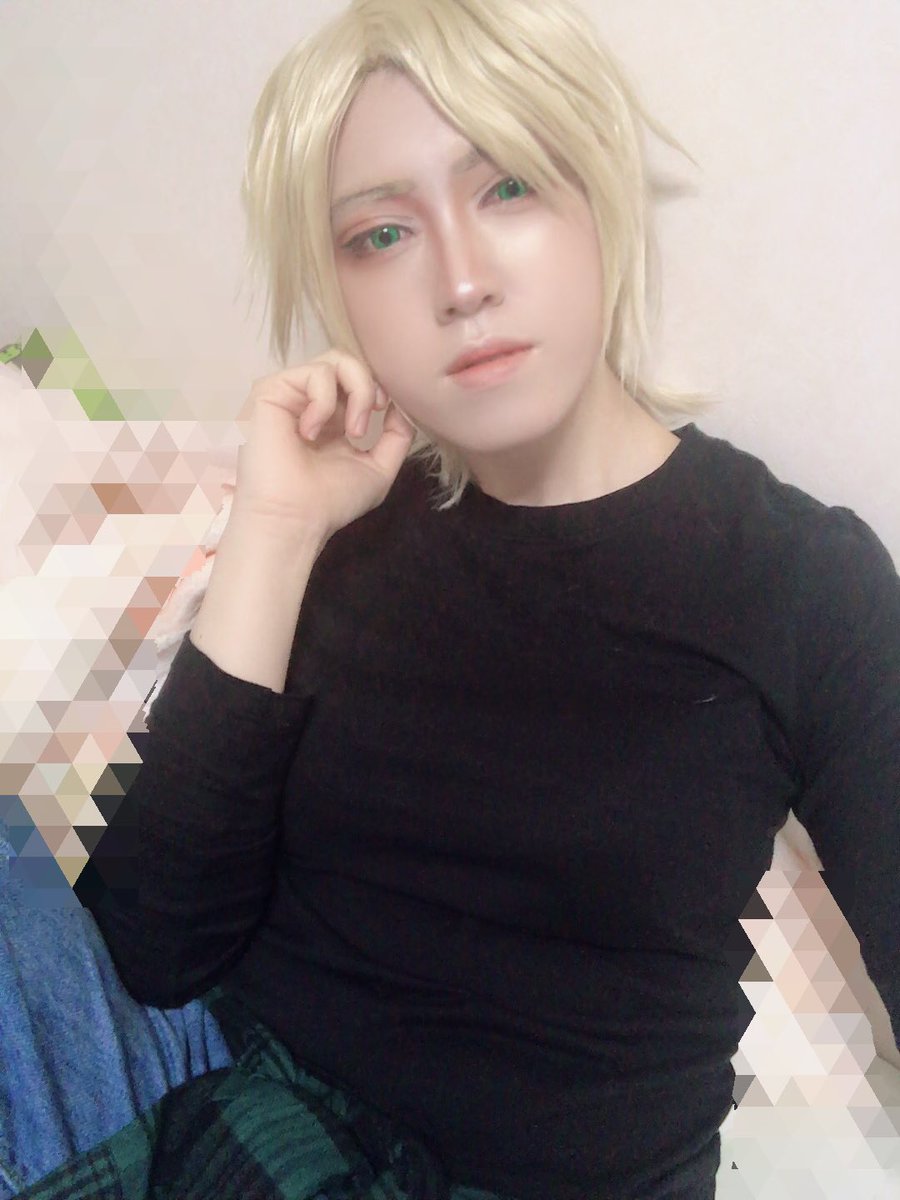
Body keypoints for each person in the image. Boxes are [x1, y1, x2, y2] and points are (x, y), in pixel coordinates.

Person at [1, 0, 898, 1197]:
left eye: (509, 186)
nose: (462, 281)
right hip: (231, 1093)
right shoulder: (353, 530)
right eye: (382, 234)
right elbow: (149, 950)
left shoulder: (802, 582)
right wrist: (274, 533)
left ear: (598, 201)